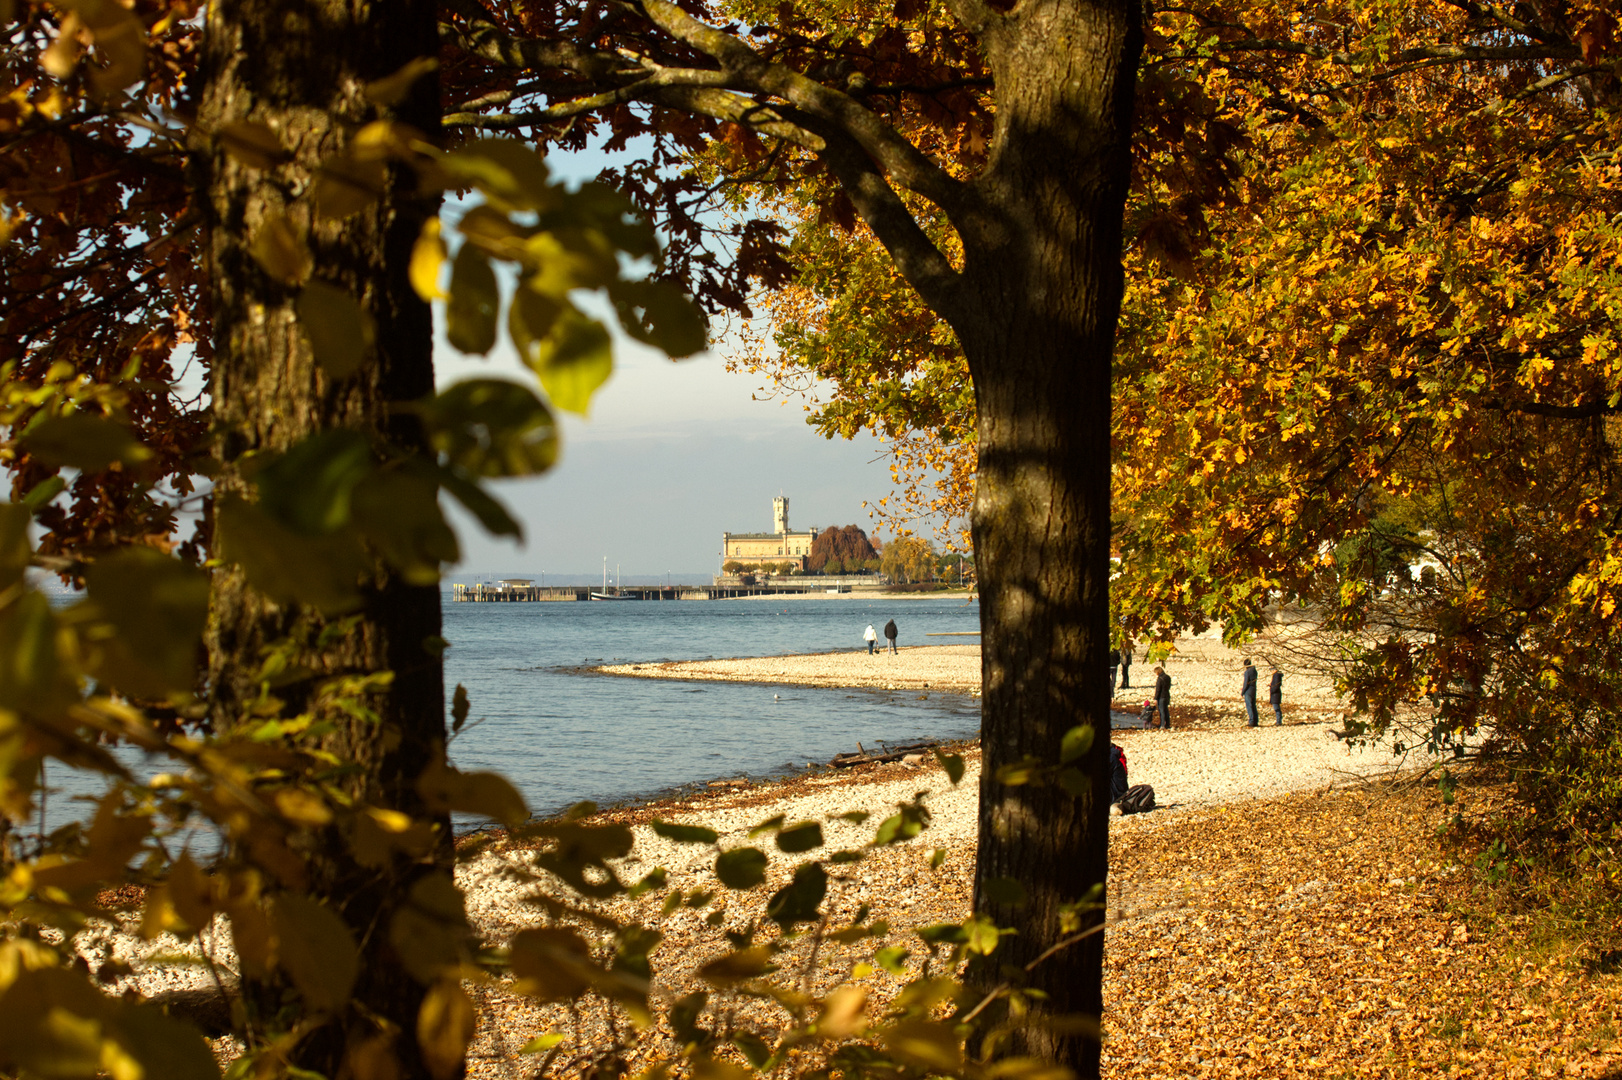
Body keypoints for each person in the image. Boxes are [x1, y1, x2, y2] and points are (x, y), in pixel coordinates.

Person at [1240, 657, 1259, 727]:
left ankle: (1251, 721)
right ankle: (1256, 721)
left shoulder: (1247, 672)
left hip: (1248, 691)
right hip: (1254, 689)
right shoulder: (1255, 671)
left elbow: (1246, 683)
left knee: (1249, 706)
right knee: (1253, 705)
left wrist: (1242, 692)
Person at [1153, 665, 1172, 730]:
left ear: (1158, 672)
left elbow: (1158, 689)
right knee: (1166, 710)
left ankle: (1162, 725)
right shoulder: (1168, 677)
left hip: (1161, 697)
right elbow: (1169, 687)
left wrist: (1155, 698)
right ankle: (1168, 724)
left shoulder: (1160, 679)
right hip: (1167, 695)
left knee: (1162, 711)